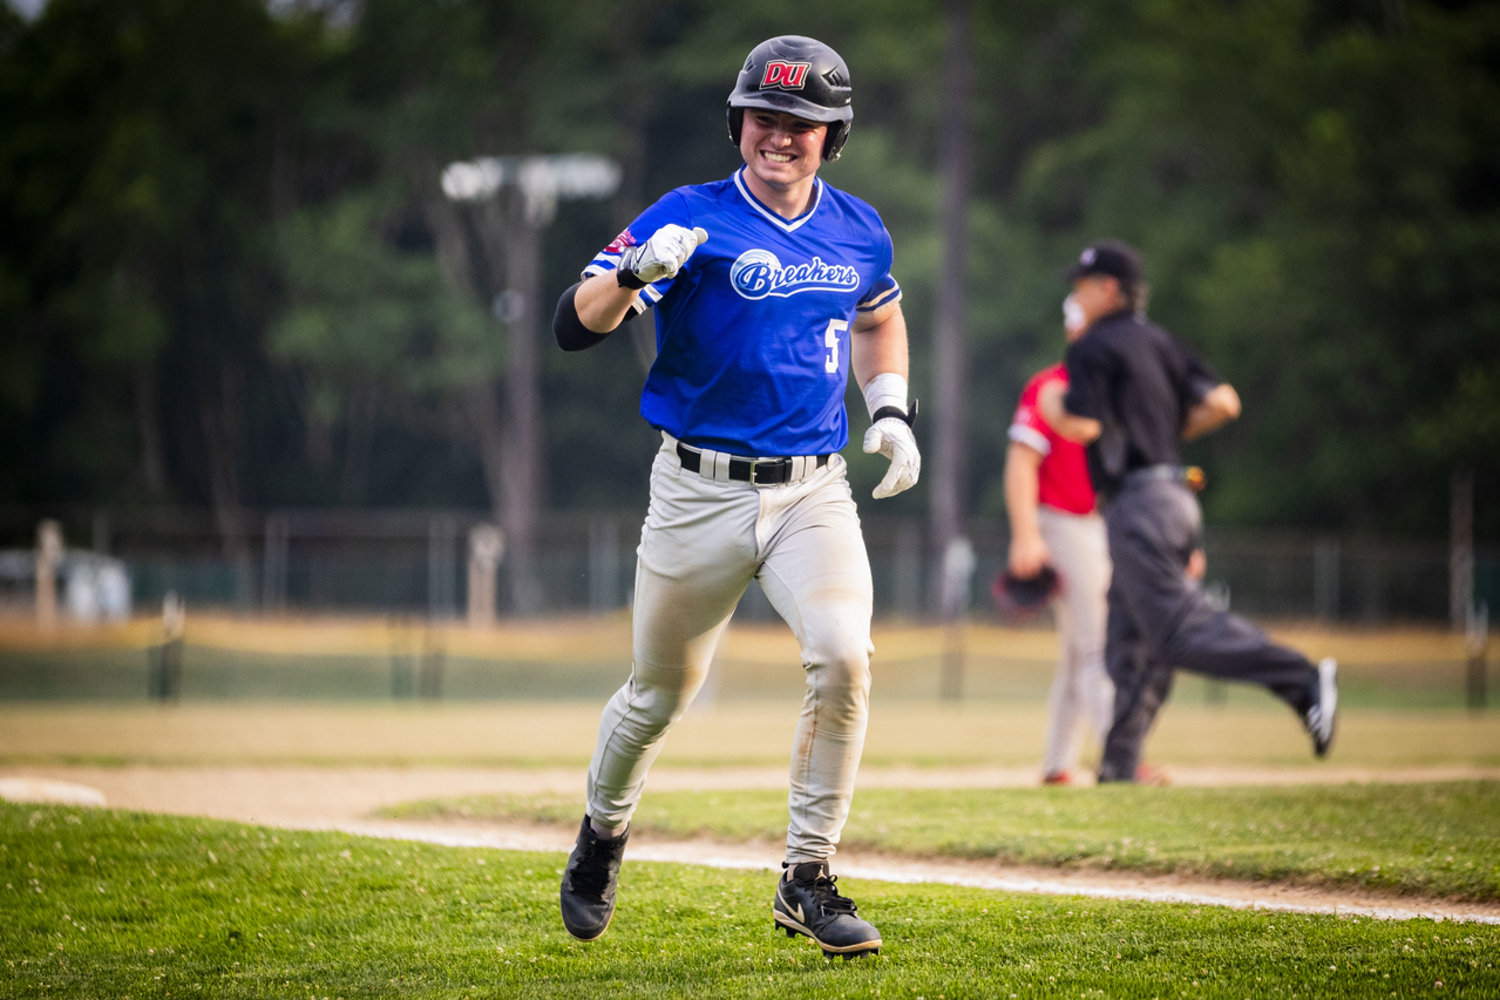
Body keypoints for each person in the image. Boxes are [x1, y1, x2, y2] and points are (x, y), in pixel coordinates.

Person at [549, 35, 917, 958]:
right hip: (695, 491)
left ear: (833, 136)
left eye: (801, 124)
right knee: (657, 696)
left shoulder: (860, 226)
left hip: (812, 491)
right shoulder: (689, 214)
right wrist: (631, 275)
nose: (779, 137)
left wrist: (892, 411)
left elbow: (878, 314)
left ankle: (807, 876)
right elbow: (574, 322)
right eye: (765, 117)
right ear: (737, 121)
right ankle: (602, 833)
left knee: (843, 658)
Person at [1036, 239, 1338, 784]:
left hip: (1137, 505)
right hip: (1176, 494)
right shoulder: (1163, 342)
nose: (1075, 297)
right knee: (1128, 641)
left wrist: (1050, 405)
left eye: (1081, 286)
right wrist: (1161, 434)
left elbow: (1080, 424)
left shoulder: (1092, 346)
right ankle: (1120, 767)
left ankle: (1303, 679)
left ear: (1108, 289)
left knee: (1177, 634)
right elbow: (1224, 401)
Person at [1004, 297, 1113, 786]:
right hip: (1063, 523)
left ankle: (1056, 764)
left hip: (1100, 525)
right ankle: (1121, 757)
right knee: (1099, 646)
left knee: (1077, 653)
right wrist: (1026, 536)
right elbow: (1021, 462)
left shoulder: (1111, 390)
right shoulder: (1052, 387)